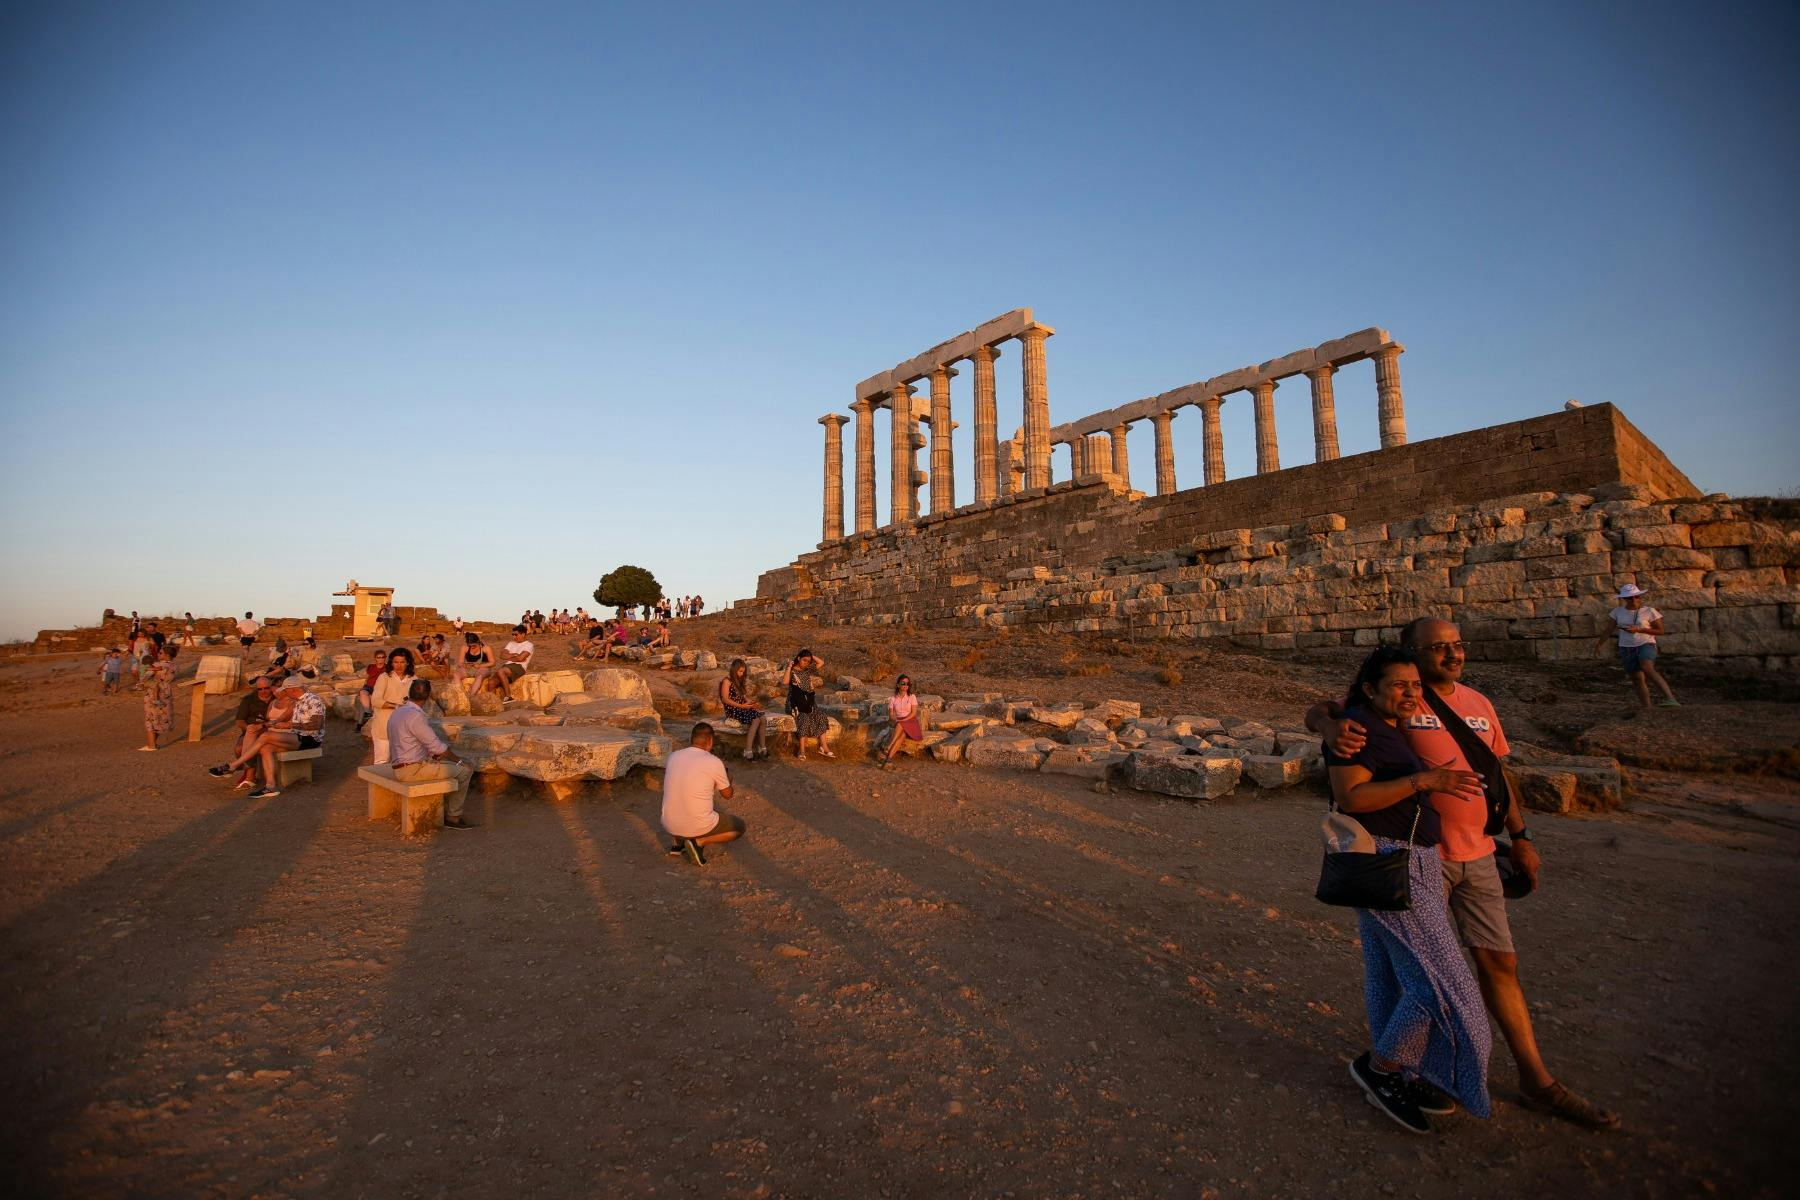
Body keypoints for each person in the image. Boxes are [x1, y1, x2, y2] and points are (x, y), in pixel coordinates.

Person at [1309, 618, 1621, 1130]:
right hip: (1404, 858)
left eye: (1457, 646)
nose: (1452, 656)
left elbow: (1498, 773)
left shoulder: (1474, 703)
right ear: (1413, 653)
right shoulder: (1388, 703)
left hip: (1473, 855)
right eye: (1438, 648)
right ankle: (1390, 1067)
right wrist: (1327, 727)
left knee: (1495, 964)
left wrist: (1521, 837)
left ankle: (1534, 1078)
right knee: (1424, 976)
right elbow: (1326, 718)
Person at [1323, 646, 1492, 1133]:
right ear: (1371, 688)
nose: (1411, 693)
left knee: (1389, 974)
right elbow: (1350, 794)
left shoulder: (1373, 723)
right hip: (1393, 861)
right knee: (1441, 983)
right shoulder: (1356, 728)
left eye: (1415, 685)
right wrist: (1426, 781)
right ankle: (1383, 1067)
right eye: (1399, 685)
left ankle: (1401, 1069)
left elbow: (1322, 712)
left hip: (1396, 859)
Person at [208, 676, 325, 799]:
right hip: (296, 737)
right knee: (266, 748)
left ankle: (234, 766)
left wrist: (289, 725)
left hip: (311, 739)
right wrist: (264, 725)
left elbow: (317, 724)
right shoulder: (297, 701)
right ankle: (270, 786)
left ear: (292, 689)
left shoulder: (313, 700)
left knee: (266, 736)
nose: (284, 692)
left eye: (286, 690)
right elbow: (281, 719)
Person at [388, 679, 475, 829]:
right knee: (465, 770)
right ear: (428, 696)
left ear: (410, 693)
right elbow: (438, 747)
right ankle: (454, 816)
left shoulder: (398, 712)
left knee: (444, 764)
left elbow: (409, 742)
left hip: (400, 765)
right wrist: (460, 761)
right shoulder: (416, 716)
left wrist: (432, 755)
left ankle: (447, 808)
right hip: (412, 770)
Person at [661, 723, 745, 865]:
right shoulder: (713, 762)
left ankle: (677, 844)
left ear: (691, 739)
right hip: (697, 824)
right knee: (739, 826)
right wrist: (728, 779)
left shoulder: (673, 756)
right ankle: (698, 842)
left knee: (680, 798)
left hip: (668, 823)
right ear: (710, 741)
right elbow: (727, 795)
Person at [1596, 583, 1677, 711]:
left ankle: (1670, 698)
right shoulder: (1617, 612)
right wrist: (1599, 645)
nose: (1633, 599)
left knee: (1647, 667)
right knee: (1637, 678)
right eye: (1629, 597)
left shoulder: (1649, 611)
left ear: (1639, 596)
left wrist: (1639, 629)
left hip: (1646, 643)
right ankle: (1647, 707)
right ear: (1624, 599)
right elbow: (1609, 629)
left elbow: (1660, 631)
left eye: (1636, 596)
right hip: (1626, 647)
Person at [228, 675, 277, 790]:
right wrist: (248, 728)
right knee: (239, 748)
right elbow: (239, 721)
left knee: (254, 745)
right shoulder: (248, 700)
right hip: (250, 731)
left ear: (271, 687)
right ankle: (250, 772)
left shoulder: (276, 698)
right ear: (256, 689)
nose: (263, 691)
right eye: (260, 689)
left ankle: (250, 777)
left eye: (266, 688)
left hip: (269, 732)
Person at [369, 647, 416, 764]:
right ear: (391, 662)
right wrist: (396, 706)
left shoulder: (413, 679)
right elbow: (375, 700)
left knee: (403, 763)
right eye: (396, 662)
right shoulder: (384, 677)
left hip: (405, 728)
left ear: (407, 663)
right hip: (384, 726)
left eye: (402, 662)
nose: (399, 666)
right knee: (382, 761)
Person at [784, 648, 833, 760]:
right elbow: (785, 682)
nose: (806, 663)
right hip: (796, 703)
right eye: (804, 660)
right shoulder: (792, 671)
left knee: (821, 716)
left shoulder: (807, 669)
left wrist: (811, 655)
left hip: (808, 702)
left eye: (808, 661)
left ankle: (824, 746)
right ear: (798, 658)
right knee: (804, 717)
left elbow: (821, 663)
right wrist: (789, 667)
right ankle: (801, 750)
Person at [720, 659, 768, 760]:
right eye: (740, 671)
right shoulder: (727, 681)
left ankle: (762, 748)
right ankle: (748, 750)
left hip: (742, 707)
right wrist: (742, 706)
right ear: (734, 670)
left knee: (763, 719)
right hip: (733, 709)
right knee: (756, 720)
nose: (741, 674)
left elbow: (744, 697)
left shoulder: (739, 682)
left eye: (743, 672)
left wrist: (752, 704)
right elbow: (725, 699)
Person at [878, 673, 923, 769]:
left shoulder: (912, 697)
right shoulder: (893, 698)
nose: (906, 686)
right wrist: (896, 719)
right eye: (903, 683)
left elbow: (913, 713)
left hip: (911, 722)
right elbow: (891, 714)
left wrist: (902, 721)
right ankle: (888, 760)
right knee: (902, 736)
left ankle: (888, 747)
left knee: (900, 725)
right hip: (899, 721)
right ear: (898, 685)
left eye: (907, 684)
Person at [138, 644, 178, 750]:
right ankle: (153, 743)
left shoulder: (157, 665)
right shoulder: (174, 665)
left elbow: (145, 677)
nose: (158, 654)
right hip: (166, 692)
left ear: (166, 654)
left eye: (160, 653)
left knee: (151, 717)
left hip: (154, 692)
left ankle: (151, 745)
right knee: (161, 717)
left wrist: (140, 684)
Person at [484, 625, 534, 700]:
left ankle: (508, 696)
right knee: (491, 682)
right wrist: (514, 655)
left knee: (501, 671)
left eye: (516, 634)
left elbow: (521, 658)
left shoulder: (529, 645)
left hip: (519, 667)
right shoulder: (511, 643)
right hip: (507, 666)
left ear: (523, 634)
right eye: (513, 634)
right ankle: (494, 703)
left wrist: (510, 656)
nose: (514, 636)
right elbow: (501, 656)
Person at [356, 649, 388, 731]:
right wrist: (363, 686)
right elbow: (367, 678)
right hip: (368, 686)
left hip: (378, 687)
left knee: (364, 702)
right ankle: (368, 713)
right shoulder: (371, 667)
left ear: (385, 658)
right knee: (363, 693)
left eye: (382, 657)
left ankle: (360, 724)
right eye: (378, 657)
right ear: (375, 658)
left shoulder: (387, 668)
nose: (380, 659)